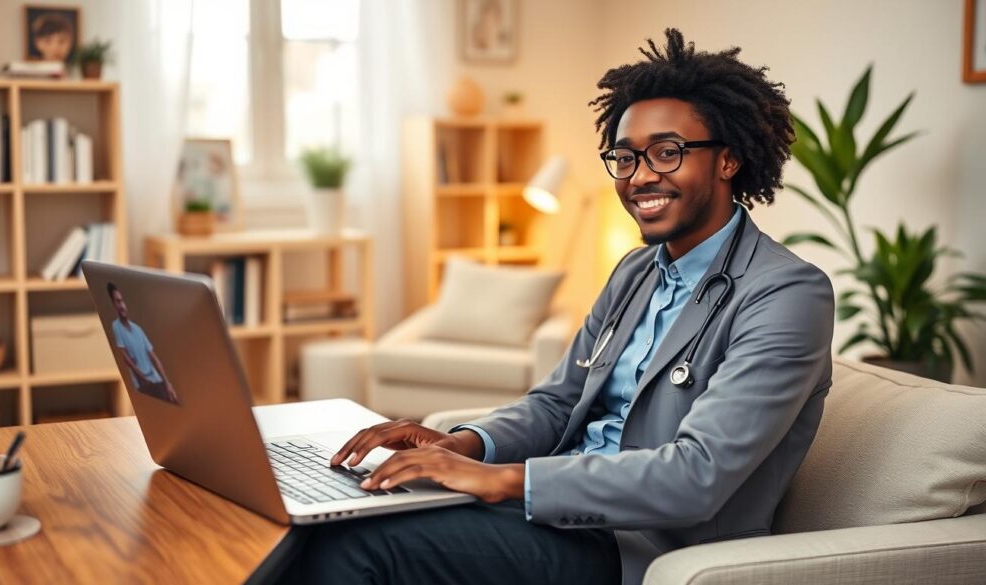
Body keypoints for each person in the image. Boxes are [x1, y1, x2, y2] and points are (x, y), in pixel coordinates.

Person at [293, 28, 834, 585]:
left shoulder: (786, 294)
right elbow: (558, 403)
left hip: (633, 543)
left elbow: (696, 476)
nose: (641, 175)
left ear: (729, 161)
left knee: (353, 549)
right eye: (625, 158)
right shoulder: (636, 272)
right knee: (326, 516)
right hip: (549, 509)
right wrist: (465, 444)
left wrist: (503, 480)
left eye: (667, 153)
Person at [107, 282, 180, 405]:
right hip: (144, 384)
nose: (122, 306)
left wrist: (167, 383)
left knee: (175, 399)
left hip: (155, 380)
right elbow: (126, 358)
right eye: (118, 302)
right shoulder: (116, 327)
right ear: (114, 304)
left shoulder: (138, 329)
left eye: (123, 301)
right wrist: (143, 378)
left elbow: (154, 358)